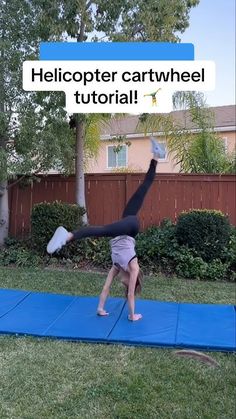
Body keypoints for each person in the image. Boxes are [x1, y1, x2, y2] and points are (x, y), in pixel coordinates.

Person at [47, 138, 164, 320]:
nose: (123, 284)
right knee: (103, 230)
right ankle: (69, 236)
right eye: (125, 285)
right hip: (131, 228)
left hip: (126, 223)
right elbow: (131, 295)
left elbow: (105, 287)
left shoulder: (117, 266)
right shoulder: (133, 268)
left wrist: (100, 309)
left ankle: (156, 156)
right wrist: (133, 316)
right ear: (132, 280)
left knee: (143, 189)